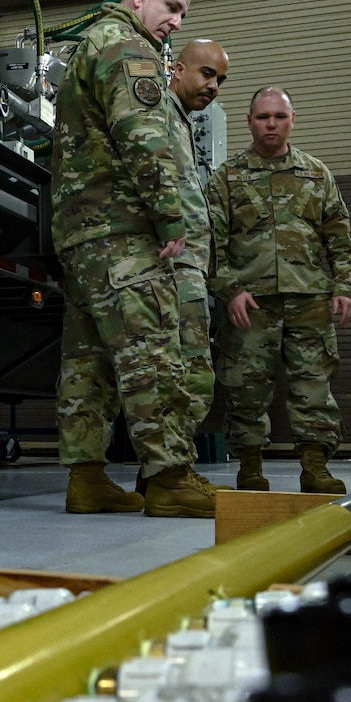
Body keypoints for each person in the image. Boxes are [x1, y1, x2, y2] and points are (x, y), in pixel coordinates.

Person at [51, 0, 214, 518]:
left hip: (79, 235)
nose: (174, 22)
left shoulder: (88, 46)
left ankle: (86, 477)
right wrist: (170, 218)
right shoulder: (128, 47)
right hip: (122, 233)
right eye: (171, 8)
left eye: (182, 14)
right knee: (153, 349)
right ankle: (169, 479)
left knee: (87, 360)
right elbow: (144, 139)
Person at [209, 86, 351, 495]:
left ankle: (315, 467)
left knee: (313, 386)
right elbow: (211, 244)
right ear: (249, 121)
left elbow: (339, 239)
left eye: (278, 116)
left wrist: (344, 287)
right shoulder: (227, 176)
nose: (270, 124)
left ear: (293, 120)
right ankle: (250, 468)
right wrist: (230, 290)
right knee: (246, 388)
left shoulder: (316, 174)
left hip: (309, 301)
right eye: (262, 117)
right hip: (250, 304)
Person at [130, 40, 229, 495]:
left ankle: (164, 472)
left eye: (220, 81)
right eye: (207, 74)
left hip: (188, 267)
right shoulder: (158, 111)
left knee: (187, 371)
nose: (213, 86)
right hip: (171, 266)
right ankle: (168, 476)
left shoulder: (181, 120)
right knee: (184, 372)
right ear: (179, 67)